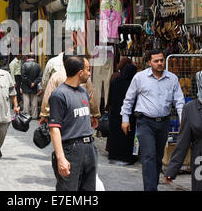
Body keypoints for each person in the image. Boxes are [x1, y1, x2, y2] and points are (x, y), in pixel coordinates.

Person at [120, 49, 185, 191]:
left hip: (163, 123)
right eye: (156, 61)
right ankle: (150, 189)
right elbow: (129, 99)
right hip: (145, 122)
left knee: (157, 157)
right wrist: (125, 118)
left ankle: (152, 186)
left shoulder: (172, 79)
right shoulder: (140, 78)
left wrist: (182, 118)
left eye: (162, 60)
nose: (160, 63)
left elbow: (179, 101)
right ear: (149, 62)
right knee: (149, 156)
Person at [49, 56, 98, 191]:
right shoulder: (59, 95)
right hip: (71, 150)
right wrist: (61, 158)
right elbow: (54, 129)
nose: (89, 73)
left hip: (89, 148)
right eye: (88, 70)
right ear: (80, 72)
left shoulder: (84, 92)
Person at [39, 53, 100, 128]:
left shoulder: (56, 76)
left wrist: (44, 114)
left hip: (61, 115)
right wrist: (95, 114)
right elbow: (91, 96)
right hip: (80, 115)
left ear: (63, 62)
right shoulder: (83, 75)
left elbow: (48, 95)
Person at [107, 61, 138, 165]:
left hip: (115, 113)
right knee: (127, 136)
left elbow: (110, 97)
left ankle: (114, 156)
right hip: (129, 114)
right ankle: (126, 158)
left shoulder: (115, 81)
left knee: (115, 136)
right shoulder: (132, 84)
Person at [21, 52, 42, 119]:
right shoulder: (38, 65)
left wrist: (29, 83)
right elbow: (40, 77)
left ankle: (26, 115)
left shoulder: (24, 65)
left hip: (26, 86)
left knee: (26, 102)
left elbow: (23, 76)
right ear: (34, 57)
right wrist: (34, 83)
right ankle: (34, 116)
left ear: (27, 57)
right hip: (34, 87)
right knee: (34, 103)